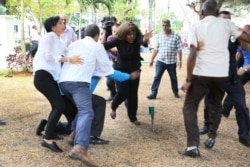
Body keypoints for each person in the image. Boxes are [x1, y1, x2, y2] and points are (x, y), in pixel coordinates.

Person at [178, 0, 250, 158]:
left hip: (201, 73)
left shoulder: (196, 27)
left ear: (202, 12)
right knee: (216, 104)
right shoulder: (227, 24)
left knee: (189, 106)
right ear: (217, 12)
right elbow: (247, 37)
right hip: (221, 74)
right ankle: (212, 136)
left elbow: (192, 54)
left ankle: (192, 146)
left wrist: (188, 79)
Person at [58, 24, 116, 167]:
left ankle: (74, 135)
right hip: (78, 83)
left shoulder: (74, 44)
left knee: (98, 102)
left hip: (64, 83)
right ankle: (80, 147)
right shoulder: (97, 47)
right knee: (86, 111)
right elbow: (106, 69)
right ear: (97, 36)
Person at [199, 11, 250, 147]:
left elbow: (245, 48)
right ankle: (207, 126)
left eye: (228, 19)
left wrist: (241, 37)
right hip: (215, 77)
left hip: (232, 78)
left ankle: (244, 135)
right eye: (223, 19)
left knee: (241, 106)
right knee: (209, 104)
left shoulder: (234, 35)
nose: (225, 22)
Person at [33, 16, 83, 153]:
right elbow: (49, 56)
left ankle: (49, 130)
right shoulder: (50, 36)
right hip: (43, 76)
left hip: (49, 77)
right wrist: (69, 60)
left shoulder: (57, 39)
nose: (63, 25)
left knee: (60, 104)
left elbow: (68, 51)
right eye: (60, 23)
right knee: (59, 105)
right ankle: (47, 139)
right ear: (52, 26)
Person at [103, 22, 153, 125]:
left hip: (134, 71)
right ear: (124, 34)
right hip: (120, 70)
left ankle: (133, 117)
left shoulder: (137, 39)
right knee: (123, 92)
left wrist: (145, 39)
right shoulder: (118, 40)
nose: (132, 37)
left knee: (133, 95)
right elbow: (104, 46)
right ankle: (113, 106)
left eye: (133, 34)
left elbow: (142, 41)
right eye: (129, 34)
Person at [147, 19, 183, 99]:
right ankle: (153, 93)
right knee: (157, 77)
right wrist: (152, 59)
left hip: (171, 62)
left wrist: (180, 60)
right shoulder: (159, 36)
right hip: (161, 61)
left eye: (166, 25)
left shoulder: (176, 36)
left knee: (173, 78)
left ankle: (175, 92)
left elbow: (179, 49)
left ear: (169, 26)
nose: (164, 27)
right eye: (163, 25)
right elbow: (156, 49)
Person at [222, 24, 250, 118]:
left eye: (245, 33)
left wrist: (245, 68)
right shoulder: (241, 40)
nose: (243, 34)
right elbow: (238, 53)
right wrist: (233, 65)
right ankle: (225, 110)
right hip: (245, 68)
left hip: (246, 68)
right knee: (235, 86)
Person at [106, 23, 120, 101]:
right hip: (112, 63)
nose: (115, 34)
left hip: (121, 64)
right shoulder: (110, 38)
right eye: (114, 31)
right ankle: (113, 94)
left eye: (117, 32)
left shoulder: (124, 39)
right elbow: (112, 48)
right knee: (109, 82)